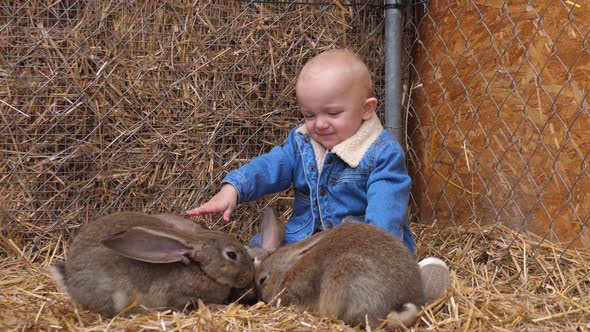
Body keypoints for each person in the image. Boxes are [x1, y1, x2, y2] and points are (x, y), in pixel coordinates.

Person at [187, 49, 449, 302]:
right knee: (258, 255)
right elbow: (270, 166)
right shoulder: (302, 143)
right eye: (309, 115)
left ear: (366, 109)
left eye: (333, 113)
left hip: (354, 248)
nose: (319, 124)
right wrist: (234, 188)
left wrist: (374, 255)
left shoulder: (381, 154)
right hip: (302, 244)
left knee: (366, 281)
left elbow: (386, 212)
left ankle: (414, 285)